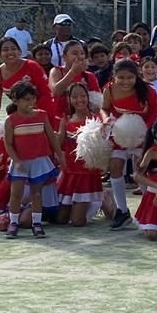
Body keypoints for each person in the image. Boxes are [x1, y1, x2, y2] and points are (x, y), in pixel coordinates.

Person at [103, 58, 157, 231]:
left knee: (141, 170)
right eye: (121, 77)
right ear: (114, 77)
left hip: (142, 136)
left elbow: (154, 112)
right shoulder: (109, 89)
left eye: (130, 77)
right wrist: (106, 120)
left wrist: (144, 131)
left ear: (137, 76)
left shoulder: (148, 91)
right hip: (119, 135)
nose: (125, 81)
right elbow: (104, 108)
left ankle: (149, 209)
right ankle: (122, 210)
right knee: (115, 167)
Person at [4, 81, 63, 238]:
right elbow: (8, 144)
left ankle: (37, 224)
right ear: (16, 101)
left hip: (39, 161)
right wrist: (16, 160)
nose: (30, 102)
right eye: (26, 99)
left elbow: (52, 137)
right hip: (20, 162)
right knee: (16, 194)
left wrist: (60, 154)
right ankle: (13, 222)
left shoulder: (42, 115)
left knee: (36, 194)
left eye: (32, 98)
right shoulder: (11, 120)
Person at [56, 82, 106, 227]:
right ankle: (100, 199)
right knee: (61, 219)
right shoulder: (65, 120)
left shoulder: (96, 118)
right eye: (75, 97)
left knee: (77, 222)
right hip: (70, 173)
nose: (79, 100)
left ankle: (104, 198)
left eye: (83, 96)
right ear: (69, 99)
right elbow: (58, 144)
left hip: (87, 174)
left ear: (88, 97)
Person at [0, 36, 57, 125]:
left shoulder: (32, 66)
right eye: (5, 50)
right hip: (20, 112)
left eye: (13, 49)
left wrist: (41, 116)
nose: (10, 52)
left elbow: (47, 93)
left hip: (43, 109)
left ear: (20, 52)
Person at [48, 38, 99, 124]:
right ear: (64, 57)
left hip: (83, 121)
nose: (79, 56)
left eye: (82, 53)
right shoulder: (56, 71)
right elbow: (55, 91)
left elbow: (98, 104)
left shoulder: (89, 76)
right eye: (75, 53)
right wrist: (72, 72)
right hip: (60, 120)